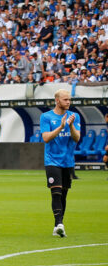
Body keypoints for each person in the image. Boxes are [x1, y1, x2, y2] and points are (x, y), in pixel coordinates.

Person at [40, 89, 81, 237]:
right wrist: (60, 126)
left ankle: (57, 226)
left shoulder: (74, 117)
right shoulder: (46, 117)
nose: (68, 102)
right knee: (56, 192)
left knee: (63, 195)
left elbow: (77, 138)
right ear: (57, 100)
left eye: (69, 99)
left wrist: (70, 126)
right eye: (65, 99)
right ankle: (60, 224)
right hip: (52, 160)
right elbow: (46, 138)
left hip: (67, 161)